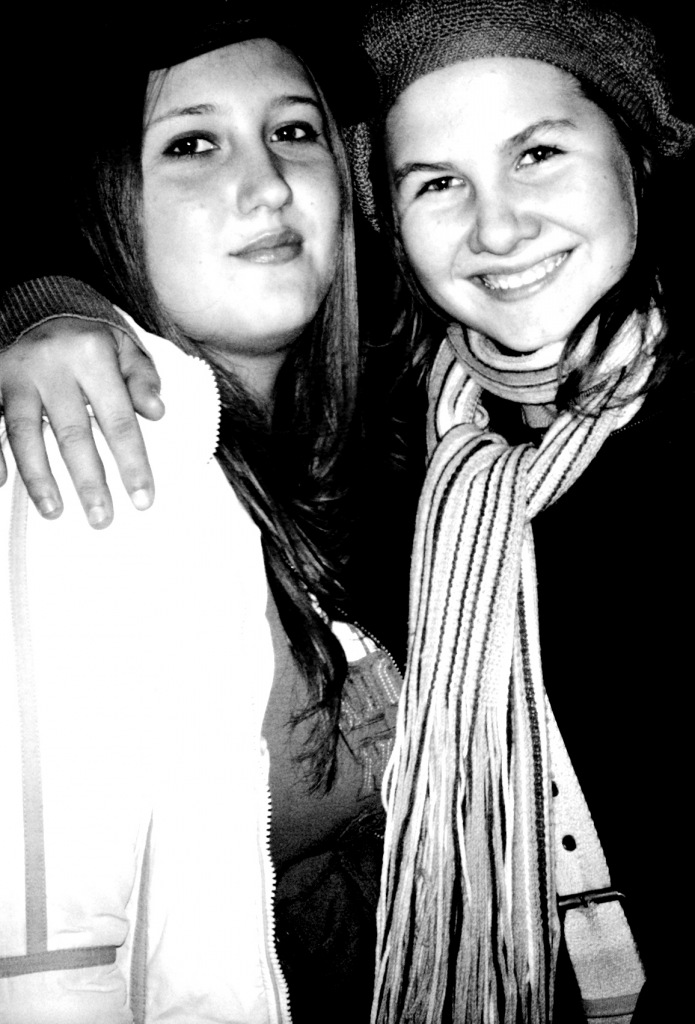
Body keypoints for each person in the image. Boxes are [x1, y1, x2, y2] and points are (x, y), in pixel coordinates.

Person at [0, 9, 401, 1023]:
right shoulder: (91, 462)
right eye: (191, 144)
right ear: (110, 200)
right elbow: (51, 960)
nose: (267, 185)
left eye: (293, 132)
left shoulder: (398, 440)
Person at [345, 1, 693, 1021]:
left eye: (536, 154)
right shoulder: (391, 467)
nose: (495, 228)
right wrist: (45, 308)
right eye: (436, 183)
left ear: (633, 160)